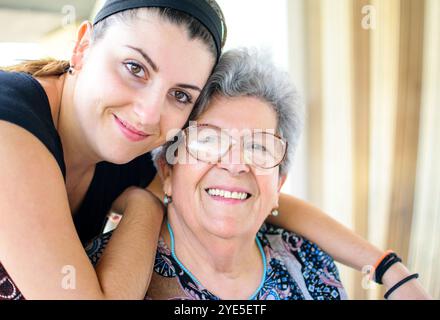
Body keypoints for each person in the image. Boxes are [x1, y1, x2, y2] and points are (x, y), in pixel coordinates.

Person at [0, 0, 430, 300]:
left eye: (181, 95)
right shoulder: (10, 126)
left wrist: (386, 267)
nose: (151, 113)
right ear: (83, 46)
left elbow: (255, 195)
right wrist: (144, 204)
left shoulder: (127, 148)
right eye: (135, 68)